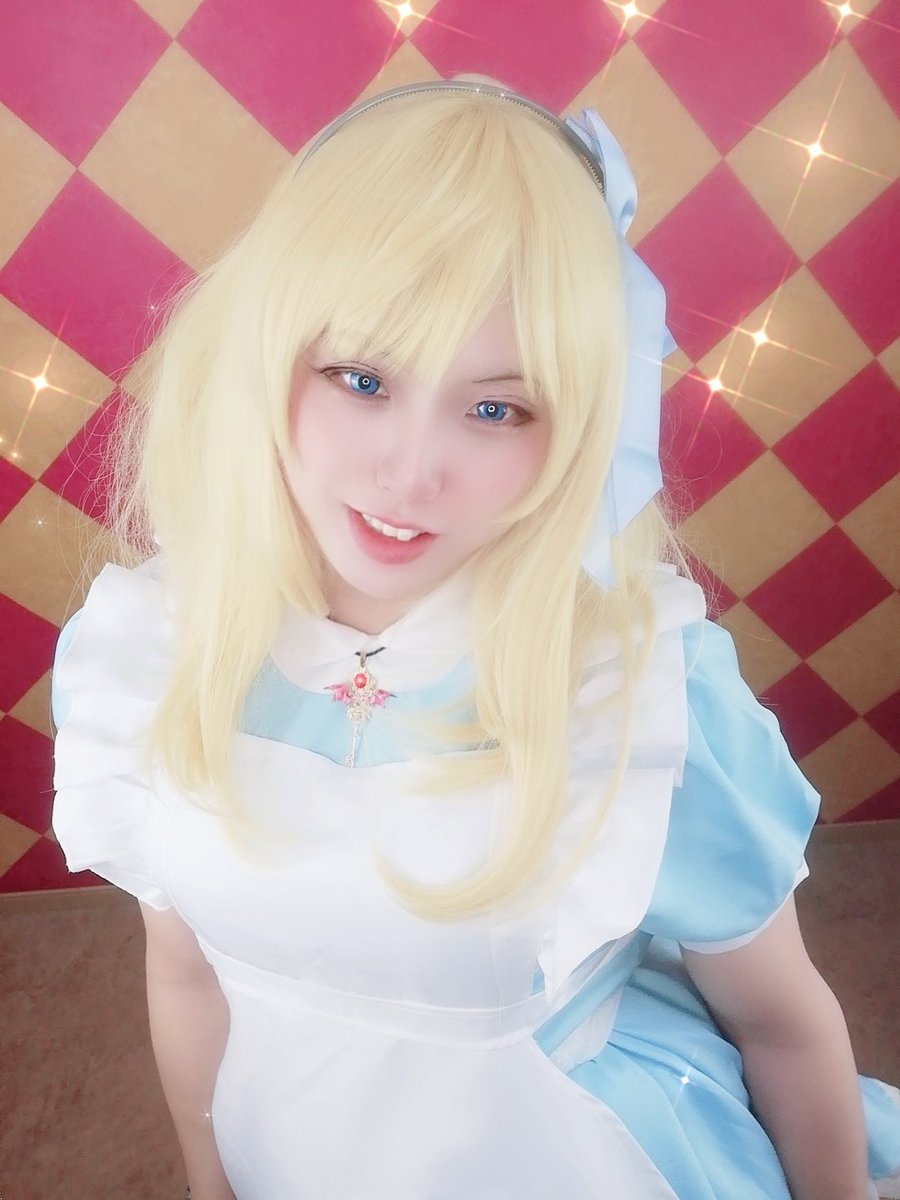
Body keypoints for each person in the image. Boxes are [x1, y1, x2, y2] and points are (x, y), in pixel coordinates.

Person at [50, 77, 899, 1200]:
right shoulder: (149, 650)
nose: (411, 475)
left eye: (497, 408)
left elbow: (783, 1024)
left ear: (580, 424)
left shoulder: (638, 695)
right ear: (267, 353)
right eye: (361, 378)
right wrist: (211, 1182)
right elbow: (188, 976)